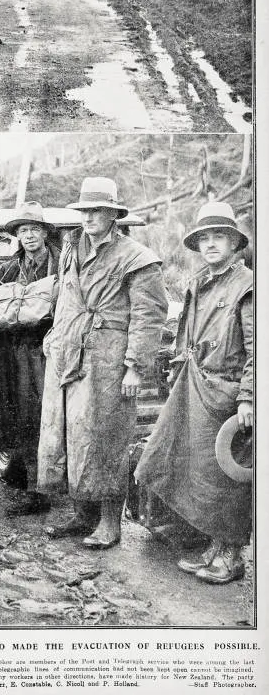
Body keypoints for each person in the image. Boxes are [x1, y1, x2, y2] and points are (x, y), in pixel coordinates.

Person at [37, 177, 168, 549]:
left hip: (108, 357)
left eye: (97, 210)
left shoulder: (137, 257)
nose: (89, 217)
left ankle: (110, 523)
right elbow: (64, 298)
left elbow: (149, 316)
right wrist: (53, 335)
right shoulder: (70, 249)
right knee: (69, 433)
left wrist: (134, 367)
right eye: (85, 210)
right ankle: (82, 515)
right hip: (66, 352)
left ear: (114, 214)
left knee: (107, 436)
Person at [134, 202, 252, 584]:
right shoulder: (199, 282)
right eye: (205, 238)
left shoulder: (248, 285)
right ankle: (211, 547)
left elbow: (258, 347)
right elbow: (186, 335)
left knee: (225, 478)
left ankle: (231, 556)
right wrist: (173, 370)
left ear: (235, 243)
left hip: (226, 393)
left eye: (220, 237)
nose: (211, 244)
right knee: (186, 466)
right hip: (192, 386)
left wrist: (249, 397)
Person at [0, 203, 60, 517]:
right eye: (23, 231)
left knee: (46, 418)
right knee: (17, 418)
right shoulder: (7, 270)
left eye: (35, 229)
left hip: (48, 352)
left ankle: (45, 488)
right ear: (17, 237)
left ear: (45, 232)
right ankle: (28, 488)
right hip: (11, 356)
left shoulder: (61, 265)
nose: (29, 236)